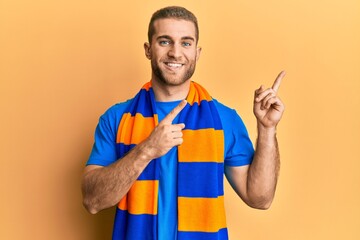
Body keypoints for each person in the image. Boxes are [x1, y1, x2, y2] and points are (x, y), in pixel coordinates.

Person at [81, 6, 285, 240]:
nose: (175, 53)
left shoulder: (224, 119)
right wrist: (146, 150)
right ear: (148, 50)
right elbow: (92, 201)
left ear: (197, 53)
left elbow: (260, 198)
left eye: (186, 43)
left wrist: (267, 129)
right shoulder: (116, 118)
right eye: (165, 42)